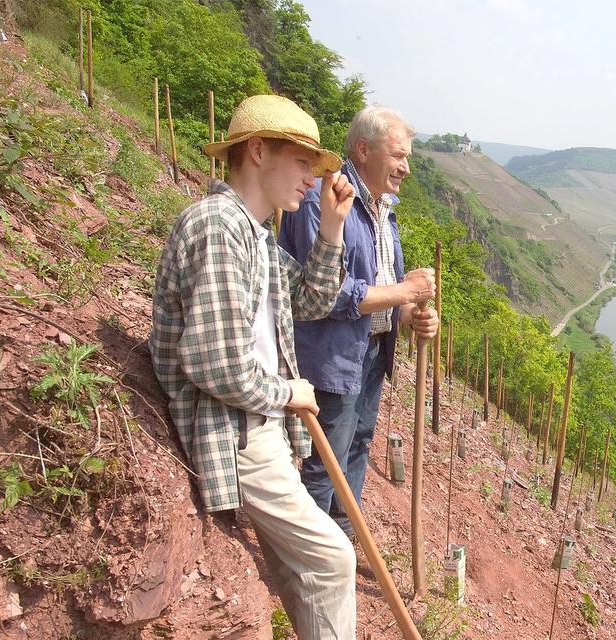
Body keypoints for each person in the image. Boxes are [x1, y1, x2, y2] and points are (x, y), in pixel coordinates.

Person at [150, 94, 357, 639]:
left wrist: (332, 229)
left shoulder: (255, 237)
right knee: (333, 561)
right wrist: (289, 393)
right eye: (303, 163)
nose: (313, 181)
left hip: (256, 423)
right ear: (259, 151)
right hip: (237, 430)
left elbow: (312, 301)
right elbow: (215, 363)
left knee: (304, 567)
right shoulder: (219, 225)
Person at [279, 105, 438, 539]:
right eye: (398, 155)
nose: (406, 167)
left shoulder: (383, 208)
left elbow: (384, 285)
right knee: (324, 458)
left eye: (408, 158)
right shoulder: (323, 198)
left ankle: (344, 540)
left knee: (358, 445)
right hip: (331, 353)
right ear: (363, 150)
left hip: (371, 351)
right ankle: (309, 556)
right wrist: (404, 292)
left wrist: (411, 315)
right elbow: (326, 294)